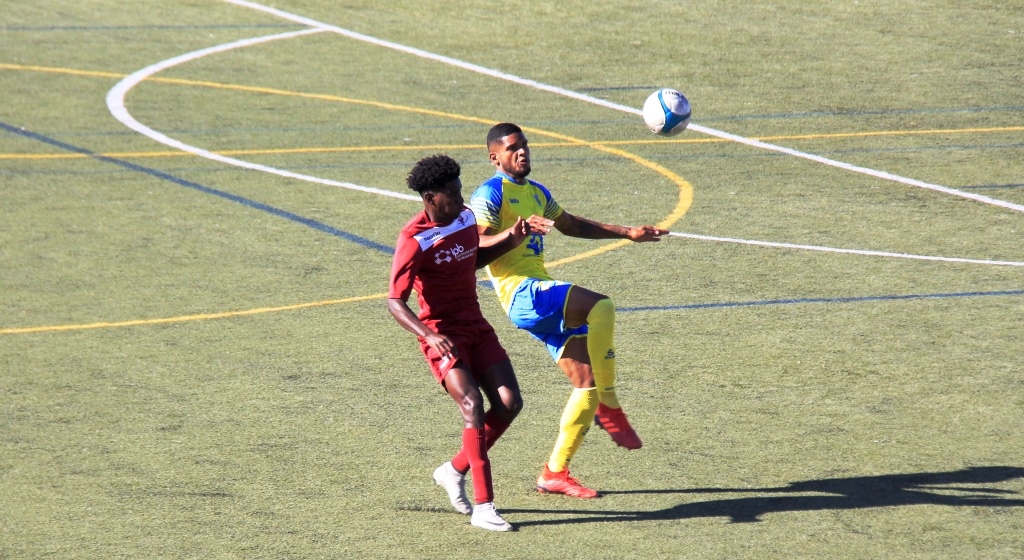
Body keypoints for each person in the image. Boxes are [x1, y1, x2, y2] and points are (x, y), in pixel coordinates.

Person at [470, 123, 668, 499]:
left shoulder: (538, 192)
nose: (522, 152)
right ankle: (611, 406)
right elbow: (475, 247)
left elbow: (572, 225)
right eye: (513, 148)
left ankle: (554, 472)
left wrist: (628, 232)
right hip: (522, 293)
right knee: (601, 306)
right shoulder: (491, 194)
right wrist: (517, 230)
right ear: (495, 157)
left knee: (585, 384)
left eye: (525, 145)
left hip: (537, 293)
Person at [388, 154, 532, 531]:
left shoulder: (465, 217)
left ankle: (453, 470)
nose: (459, 197)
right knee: (472, 403)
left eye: (459, 190)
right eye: (451, 193)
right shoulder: (413, 239)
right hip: (443, 334)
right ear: (430, 197)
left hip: (476, 326)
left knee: (509, 404)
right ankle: (484, 507)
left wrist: (511, 240)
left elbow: (474, 257)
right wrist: (429, 335)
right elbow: (394, 301)